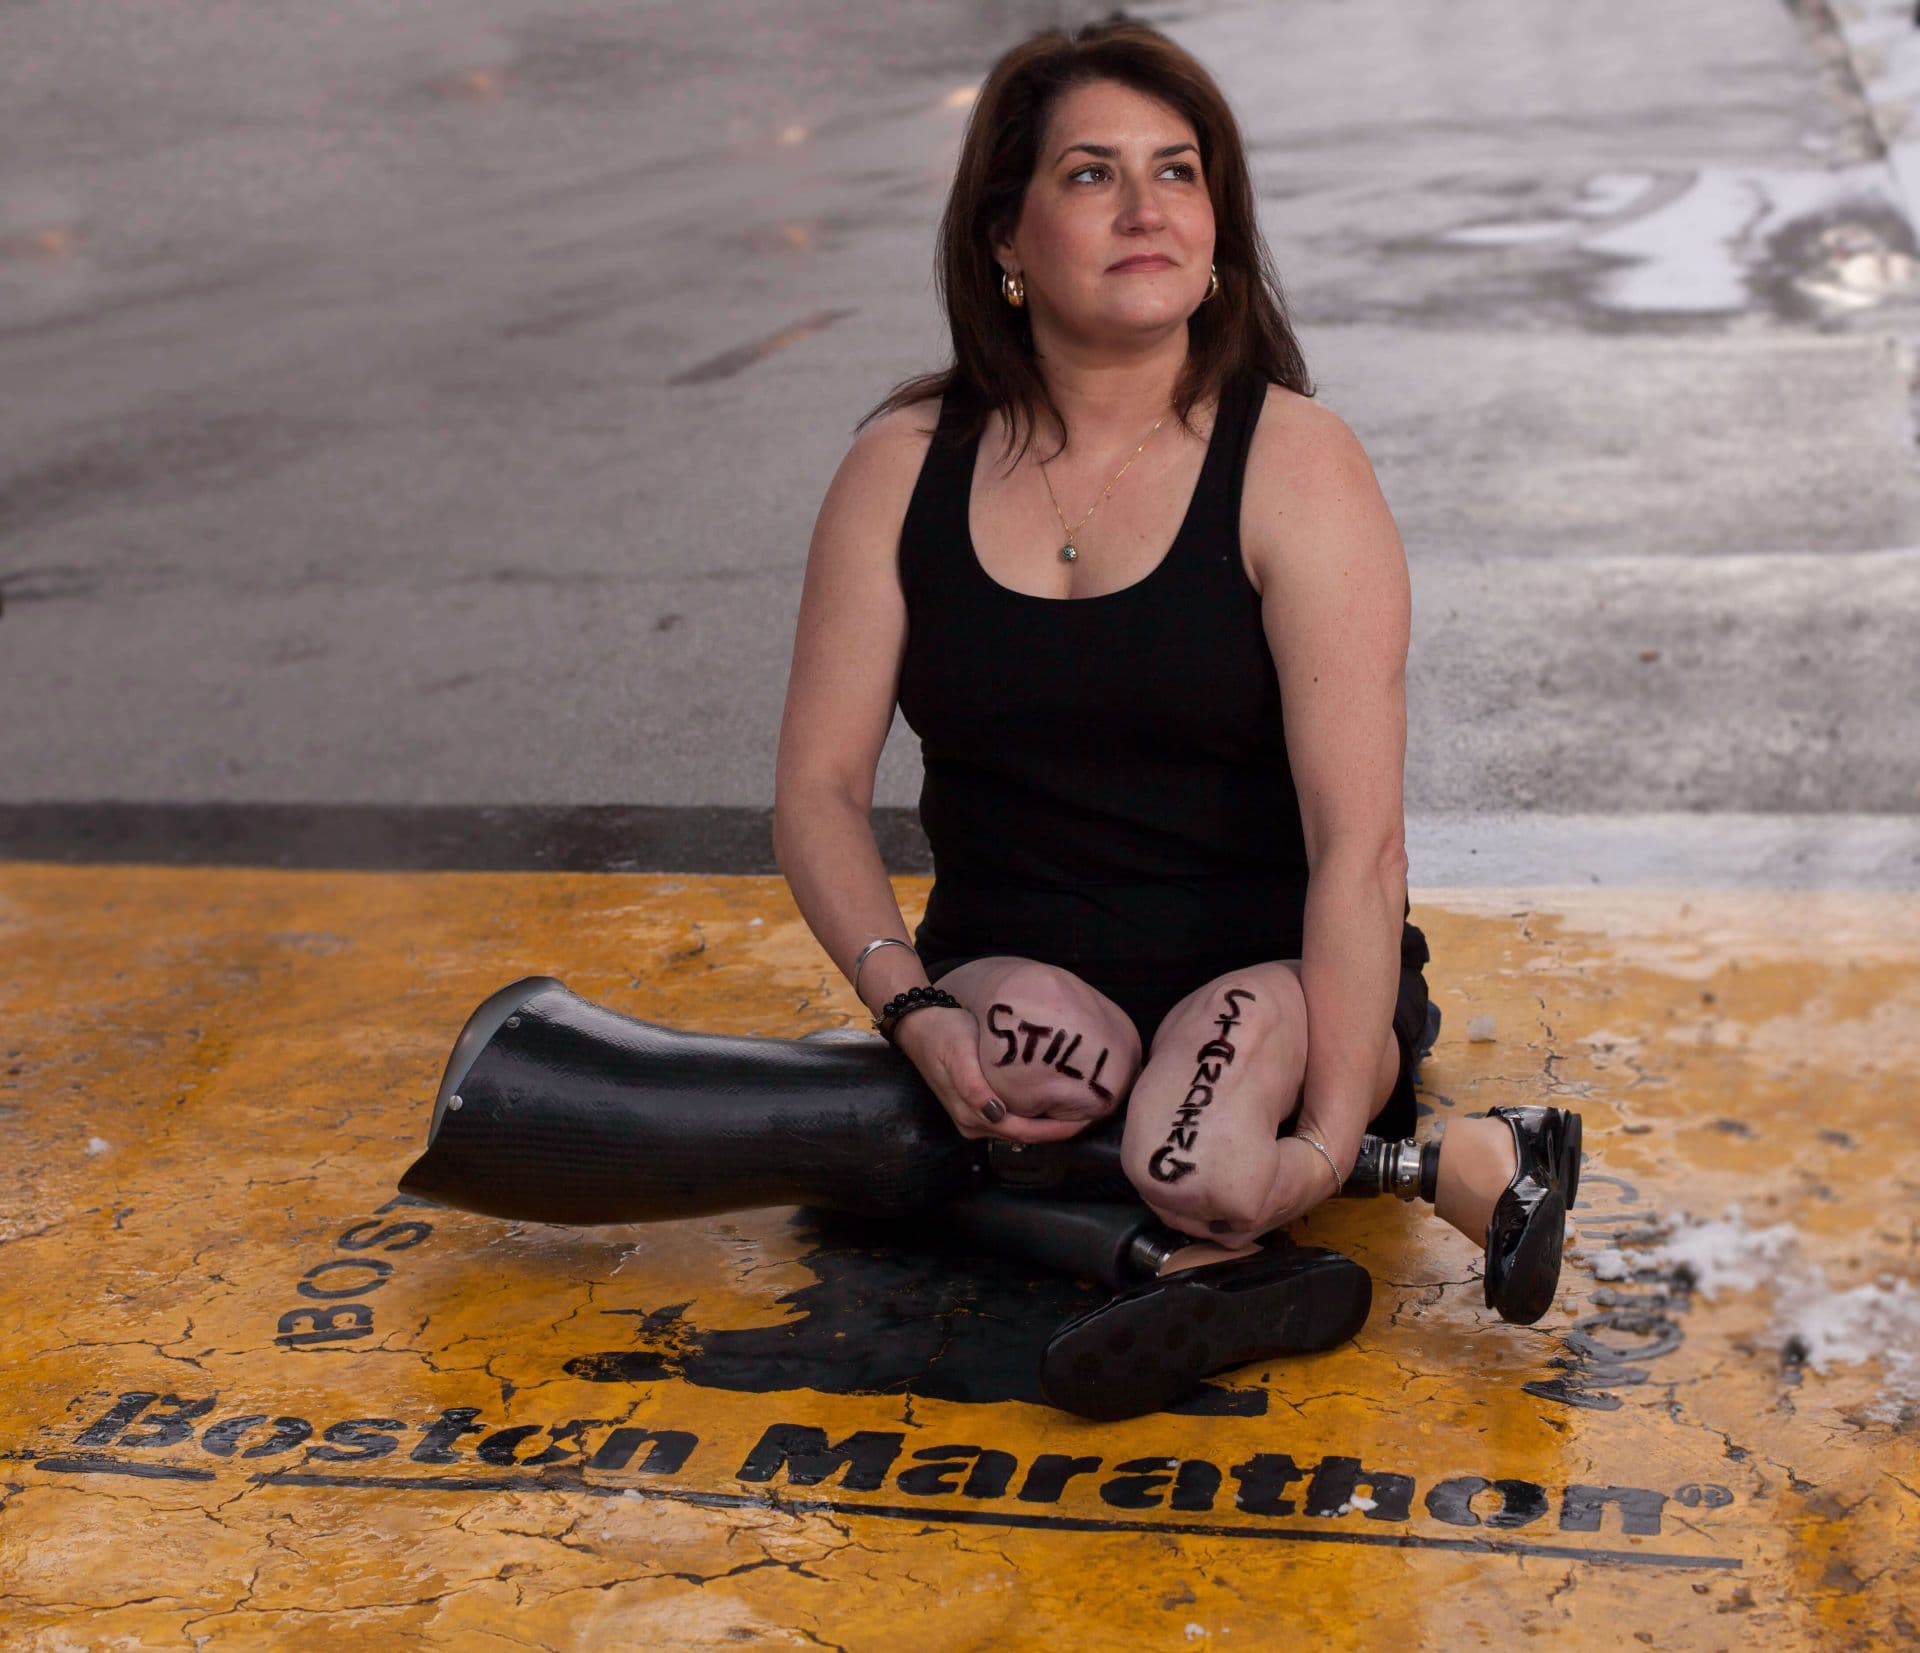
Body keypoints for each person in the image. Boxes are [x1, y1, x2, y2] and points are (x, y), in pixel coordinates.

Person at [770, 20, 1575, 1411]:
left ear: (1220, 228)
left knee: (1194, 1158)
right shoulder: (901, 466)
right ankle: (1204, 1248)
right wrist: (910, 1012)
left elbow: (1357, 851)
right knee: (991, 1103)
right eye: (1092, 175)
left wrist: (1327, 1135)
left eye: (1179, 172)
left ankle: (1371, 1181)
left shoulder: (1295, 464)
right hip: (1025, 978)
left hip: (1269, 973)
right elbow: (819, 795)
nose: (1147, 209)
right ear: (1005, 236)